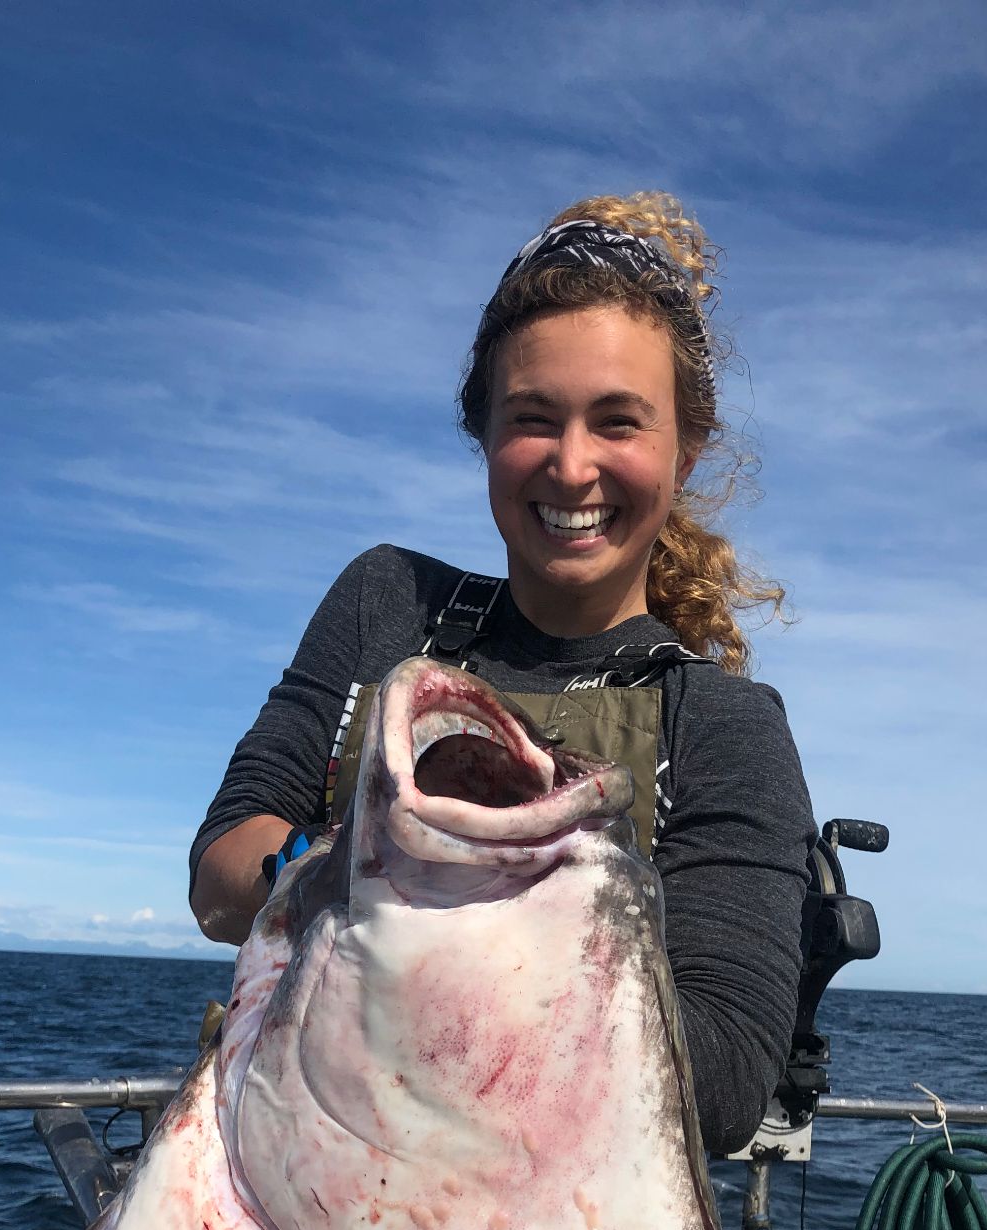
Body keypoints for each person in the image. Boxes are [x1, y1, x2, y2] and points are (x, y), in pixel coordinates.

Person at [189, 192, 818, 1158]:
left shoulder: (726, 723)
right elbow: (220, 866)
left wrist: (448, 912)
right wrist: (324, 875)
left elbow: (725, 1087)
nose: (571, 467)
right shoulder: (386, 604)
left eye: (619, 422)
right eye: (533, 419)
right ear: (484, 435)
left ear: (683, 456)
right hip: (295, 1187)